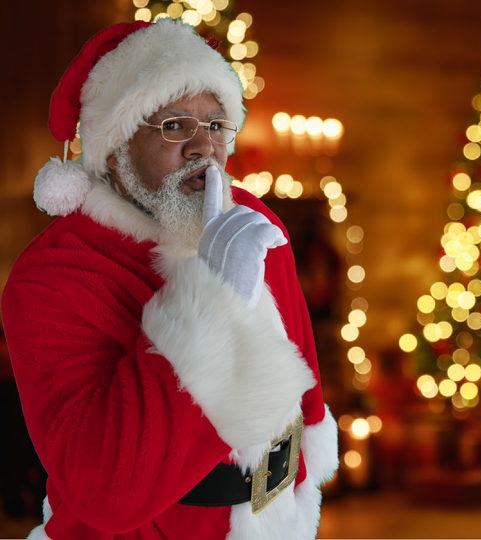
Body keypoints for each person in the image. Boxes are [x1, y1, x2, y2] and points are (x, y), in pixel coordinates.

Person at [1, 18, 338, 540]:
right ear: (113, 151)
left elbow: (301, 364)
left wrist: (303, 473)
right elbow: (107, 490)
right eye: (175, 125)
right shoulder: (52, 277)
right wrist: (212, 297)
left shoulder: (250, 218)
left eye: (216, 124)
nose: (205, 146)